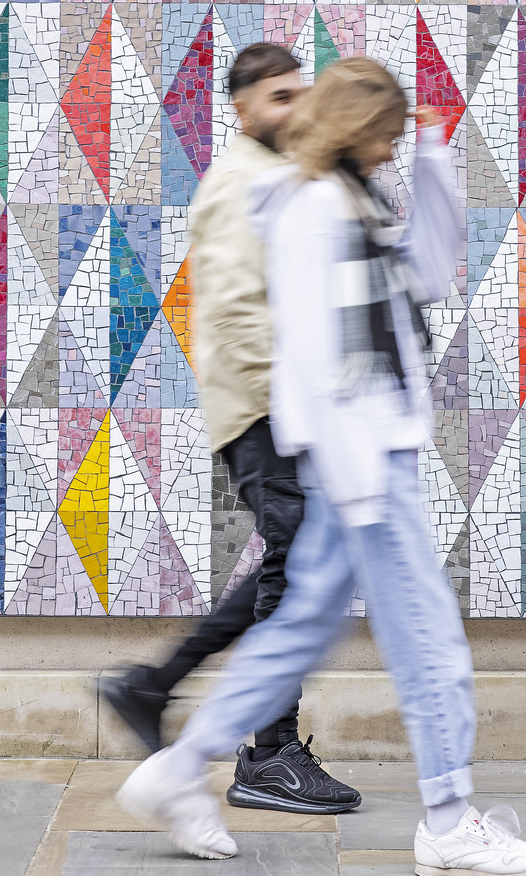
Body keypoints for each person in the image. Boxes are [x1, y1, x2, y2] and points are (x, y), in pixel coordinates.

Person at [117, 58, 526, 875]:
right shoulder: (314, 209)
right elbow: (313, 358)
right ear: (355, 131)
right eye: (386, 137)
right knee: (427, 639)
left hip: (364, 457)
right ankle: (451, 817)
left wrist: (432, 156)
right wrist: (359, 490)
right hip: (364, 465)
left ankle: (177, 772)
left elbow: (429, 268)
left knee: (295, 634)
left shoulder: (351, 200)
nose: (390, 151)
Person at [101, 42, 361, 815]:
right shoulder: (239, 185)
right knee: (295, 574)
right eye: (278, 98)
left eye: (299, 95)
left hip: (287, 412)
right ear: (242, 106)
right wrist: (296, 404)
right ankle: (268, 753)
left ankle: (154, 685)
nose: (293, 109)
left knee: (297, 568)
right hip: (265, 413)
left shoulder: (287, 177)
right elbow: (239, 313)